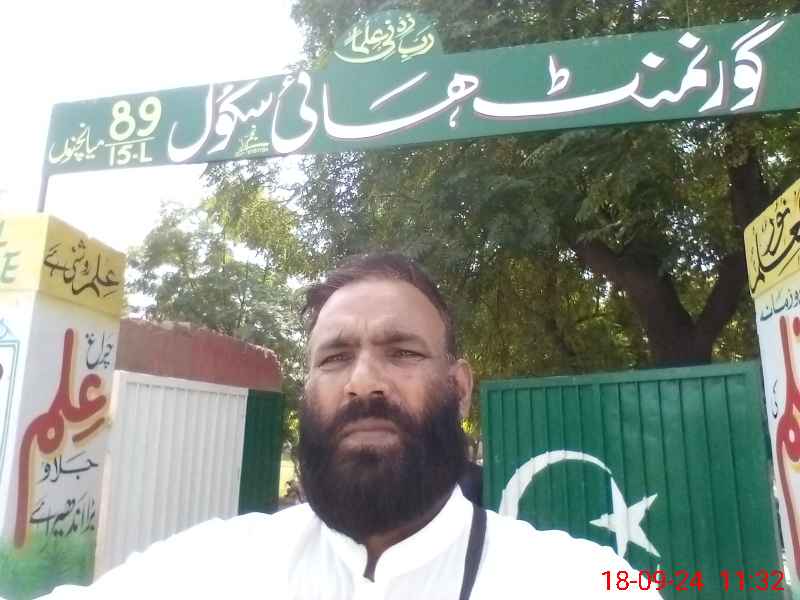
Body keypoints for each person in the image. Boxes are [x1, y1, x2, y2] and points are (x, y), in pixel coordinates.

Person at [35, 253, 658, 599]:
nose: (363, 382)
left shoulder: (582, 583)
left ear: (460, 389)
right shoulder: (214, 568)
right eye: (334, 358)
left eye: (403, 352)